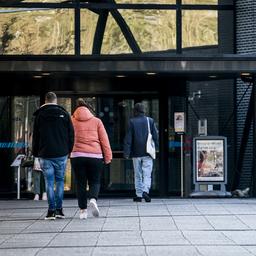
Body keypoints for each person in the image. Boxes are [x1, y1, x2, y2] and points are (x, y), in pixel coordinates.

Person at [32, 92, 74, 220]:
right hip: (61, 153)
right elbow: (71, 134)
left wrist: (35, 153)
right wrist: (68, 151)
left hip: (45, 154)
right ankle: (59, 210)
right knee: (60, 181)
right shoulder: (64, 114)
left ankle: (51, 212)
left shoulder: (40, 115)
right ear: (56, 101)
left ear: (46, 100)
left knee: (49, 182)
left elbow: (36, 137)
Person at [70, 98, 112, 219]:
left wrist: (68, 153)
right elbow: (104, 140)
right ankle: (93, 199)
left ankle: (83, 211)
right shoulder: (97, 121)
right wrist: (108, 156)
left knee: (80, 183)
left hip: (77, 156)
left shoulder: (71, 121)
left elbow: (67, 138)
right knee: (95, 181)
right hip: (95, 156)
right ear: (88, 109)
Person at [123, 102, 158, 203]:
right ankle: (145, 191)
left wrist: (126, 152)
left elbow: (128, 138)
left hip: (136, 153)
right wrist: (156, 147)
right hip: (147, 152)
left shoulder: (132, 122)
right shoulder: (150, 121)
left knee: (138, 174)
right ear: (144, 110)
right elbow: (155, 136)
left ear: (135, 111)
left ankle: (138, 195)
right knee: (147, 173)